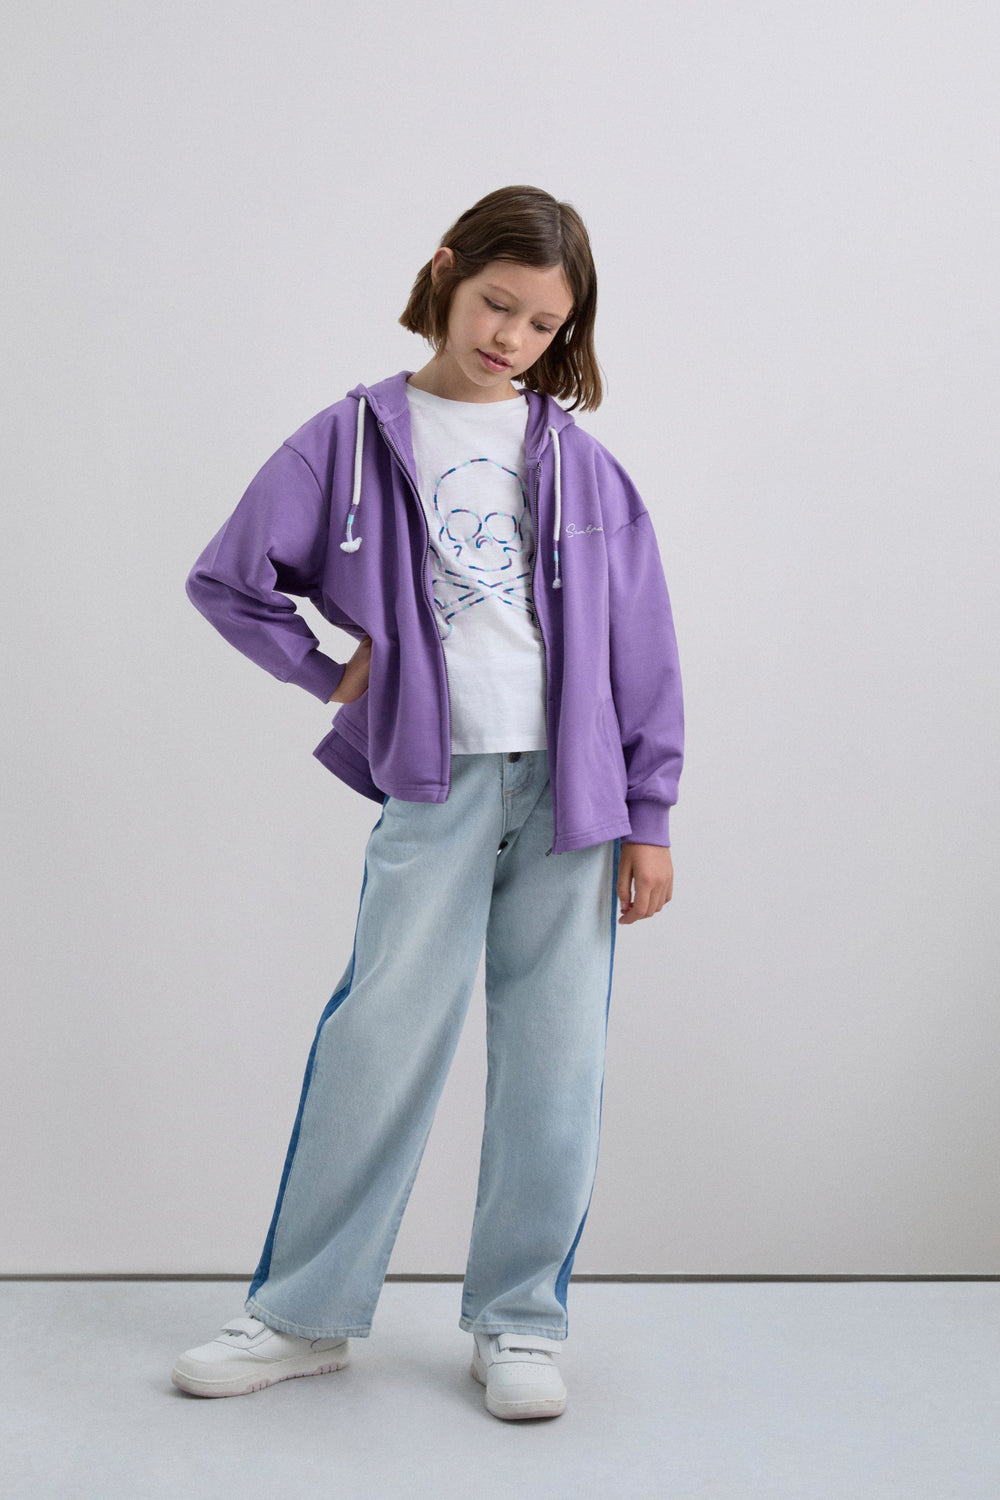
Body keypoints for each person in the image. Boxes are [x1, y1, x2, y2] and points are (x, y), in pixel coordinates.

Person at [172, 185, 684, 1421]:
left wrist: (651, 813)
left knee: (555, 1062)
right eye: (497, 304)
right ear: (446, 272)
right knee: (380, 1040)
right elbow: (229, 579)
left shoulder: (583, 465)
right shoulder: (351, 438)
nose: (512, 338)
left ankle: (519, 1323)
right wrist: (325, 670)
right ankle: (302, 1315)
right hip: (434, 779)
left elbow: (643, 648)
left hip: (574, 800)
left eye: (543, 324)